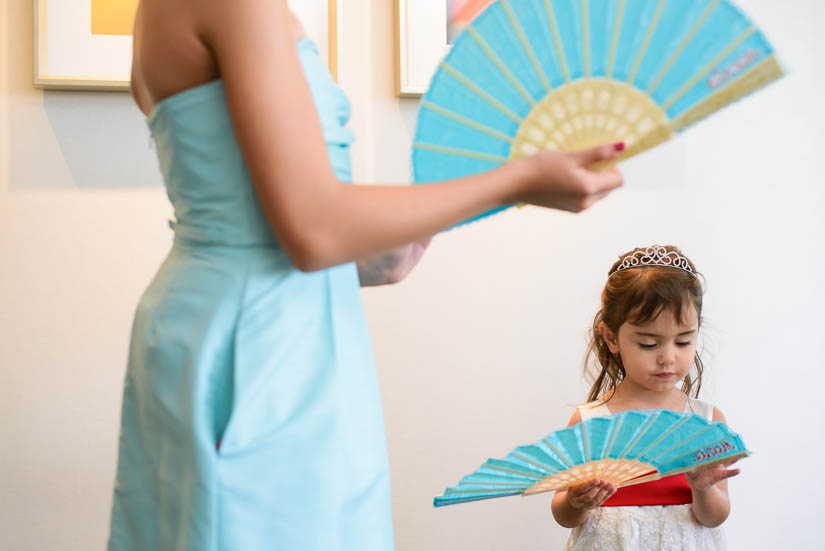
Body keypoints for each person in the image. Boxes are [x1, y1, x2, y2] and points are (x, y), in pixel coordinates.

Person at [109, 0, 625, 549]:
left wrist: (374, 248)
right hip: (256, 338)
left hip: (248, 318)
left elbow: (274, 221)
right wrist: (515, 181)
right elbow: (312, 228)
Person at [550, 245, 740, 551]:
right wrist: (575, 499)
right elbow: (564, 515)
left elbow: (714, 518)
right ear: (612, 338)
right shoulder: (591, 421)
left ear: (697, 330)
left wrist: (702, 488)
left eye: (683, 341)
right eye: (649, 344)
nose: (667, 358)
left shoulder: (706, 421)